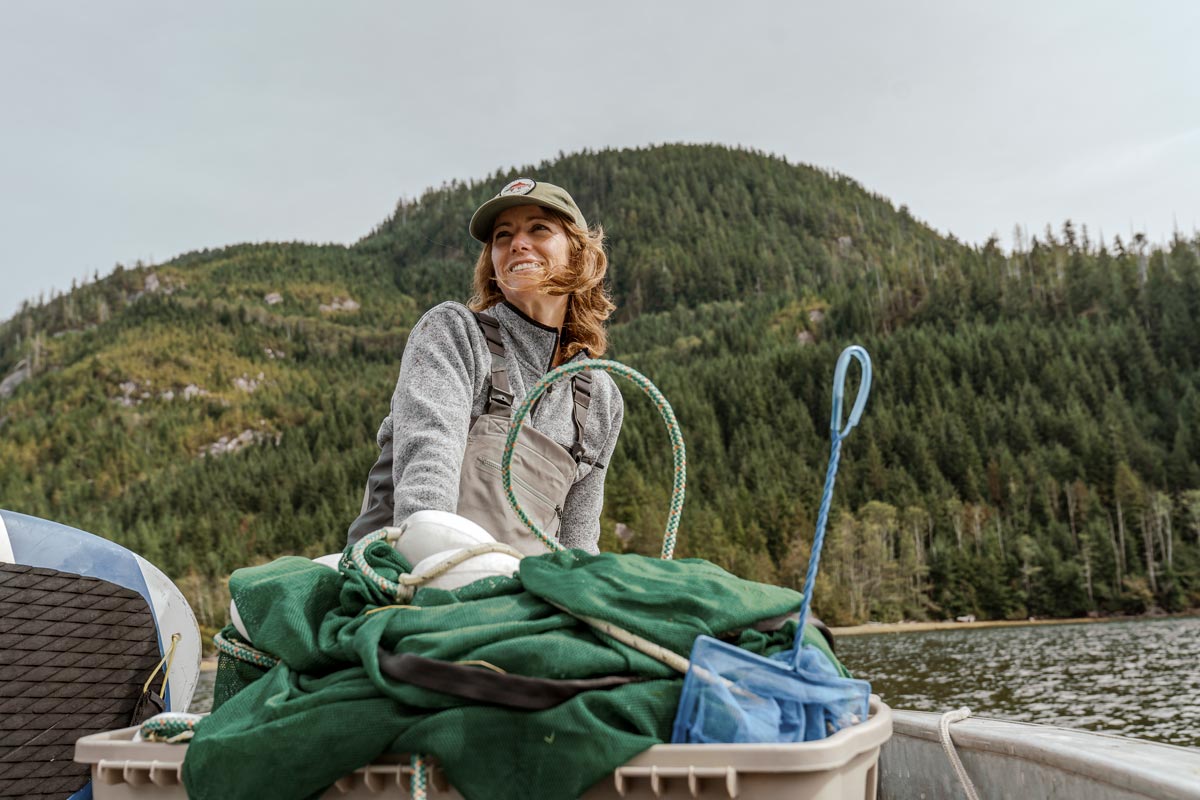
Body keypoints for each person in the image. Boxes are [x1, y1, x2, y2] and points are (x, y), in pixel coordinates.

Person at [346, 178, 624, 555]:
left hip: (517, 595)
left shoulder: (601, 397)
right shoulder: (455, 332)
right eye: (502, 235)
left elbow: (579, 541)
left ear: (579, 253)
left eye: (538, 228)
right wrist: (426, 567)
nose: (517, 243)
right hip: (409, 569)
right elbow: (427, 473)